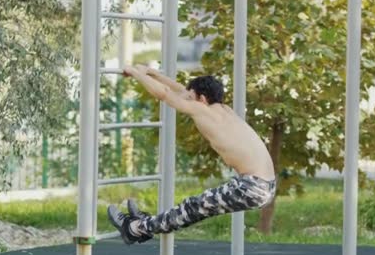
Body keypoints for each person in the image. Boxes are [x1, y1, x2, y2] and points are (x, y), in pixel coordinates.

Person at [107, 65, 276, 244]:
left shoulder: (201, 110)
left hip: (253, 187)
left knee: (193, 207)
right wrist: (153, 73)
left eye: (191, 97)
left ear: (201, 99)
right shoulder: (224, 110)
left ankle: (135, 228)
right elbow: (182, 91)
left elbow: (164, 93)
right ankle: (147, 224)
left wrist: (135, 73)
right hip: (266, 184)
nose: (186, 99)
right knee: (197, 207)